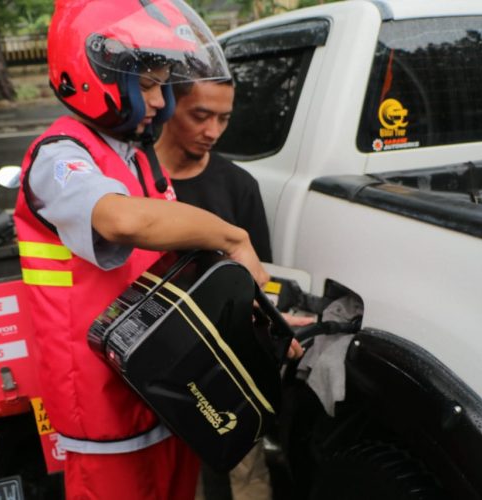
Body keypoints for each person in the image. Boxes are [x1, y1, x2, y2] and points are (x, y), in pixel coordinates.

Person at [12, 1, 268, 498]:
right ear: (96, 76)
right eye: (147, 84)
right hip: (105, 407)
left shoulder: (133, 155)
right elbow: (123, 221)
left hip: (160, 389)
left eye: (162, 85)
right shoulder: (61, 156)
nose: (158, 100)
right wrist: (233, 236)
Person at [156, 77, 306, 500]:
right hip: (158, 360)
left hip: (226, 359)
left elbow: (261, 278)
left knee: (247, 468)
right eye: (200, 115)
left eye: (223, 118)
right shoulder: (136, 184)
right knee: (176, 475)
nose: (213, 131)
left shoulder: (238, 186)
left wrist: (273, 324)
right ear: (167, 106)